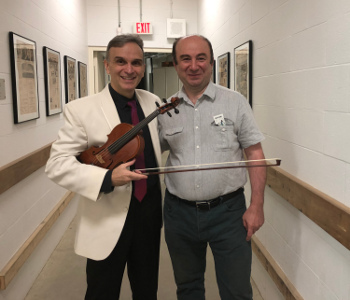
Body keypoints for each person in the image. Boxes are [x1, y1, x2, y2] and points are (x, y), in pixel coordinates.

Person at [46, 34, 163, 300]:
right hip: (106, 217)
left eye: (136, 62)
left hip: (149, 214)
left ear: (143, 67)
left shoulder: (152, 101)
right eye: (120, 61)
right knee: (102, 292)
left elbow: (159, 146)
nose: (129, 69)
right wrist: (108, 178)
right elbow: (56, 165)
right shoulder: (80, 109)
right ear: (107, 65)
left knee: (147, 291)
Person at [158, 35, 266, 300]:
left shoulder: (235, 102)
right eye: (186, 58)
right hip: (179, 215)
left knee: (237, 290)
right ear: (176, 64)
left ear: (211, 62)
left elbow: (254, 152)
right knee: (188, 288)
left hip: (228, 214)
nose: (193, 65)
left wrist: (257, 206)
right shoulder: (164, 110)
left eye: (200, 58)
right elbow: (148, 153)